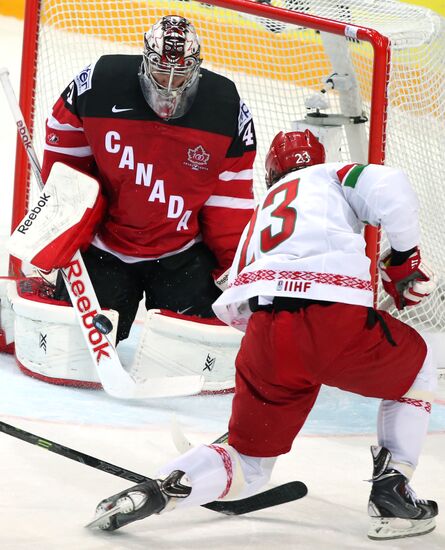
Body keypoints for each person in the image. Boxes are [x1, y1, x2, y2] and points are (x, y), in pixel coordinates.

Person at [90, 130, 438, 540]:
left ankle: (159, 490)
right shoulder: (331, 174)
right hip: (332, 320)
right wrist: (404, 256)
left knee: (249, 463)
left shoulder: (259, 217)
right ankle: (393, 490)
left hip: (265, 334)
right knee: (418, 368)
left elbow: (234, 302)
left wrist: (285, 352)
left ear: (272, 172)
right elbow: (391, 184)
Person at [40, 14, 256, 343]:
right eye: (161, 69)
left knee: (190, 350)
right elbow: (65, 143)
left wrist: (233, 269)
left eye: (180, 73)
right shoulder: (100, 82)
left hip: (181, 253)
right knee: (77, 344)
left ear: (196, 67)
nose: (169, 84)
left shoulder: (226, 109)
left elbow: (229, 201)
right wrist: (61, 221)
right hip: (106, 246)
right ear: (145, 60)